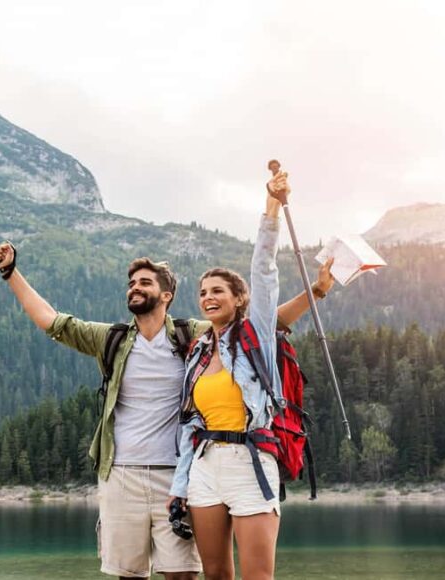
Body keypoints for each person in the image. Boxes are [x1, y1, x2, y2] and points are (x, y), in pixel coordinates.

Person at [0, 182, 332, 580]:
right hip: (128, 474)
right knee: (134, 574)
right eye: (131, 283)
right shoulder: (115, 340)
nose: (135, 288)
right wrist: (11, 273)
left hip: (183, 471)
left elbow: (268, 320)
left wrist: (318, 289)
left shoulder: (198, 335)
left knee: (184, 574)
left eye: (145, 283)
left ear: (166, 295)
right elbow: (53, 322)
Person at [166, 169, 293, 580]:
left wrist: (271, 207)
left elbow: (264, 270)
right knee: (215, 574)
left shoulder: (256, 334)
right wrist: (180, 487)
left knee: (257, 577)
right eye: (203, 293)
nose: (208, 298)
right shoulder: (199, 352)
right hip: (206, 467)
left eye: (218, 290)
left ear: (239, 299)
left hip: (250, 461)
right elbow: (190, 426)